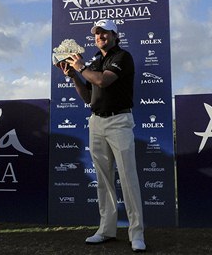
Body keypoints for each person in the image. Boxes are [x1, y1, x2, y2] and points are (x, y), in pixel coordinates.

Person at [58, 19, 146, 253]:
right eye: (97, 34)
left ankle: (136, 233)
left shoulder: (122, 57)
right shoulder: (95, 60)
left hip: (119, 121)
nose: (100, 37)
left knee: (128, 177)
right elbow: (88, 97)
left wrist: (81, 68)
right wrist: (73, 76)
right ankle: (106, 230)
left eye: (105, 33)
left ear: (115, 35)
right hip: (96, 121)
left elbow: (103, 80)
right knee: (104, 179)